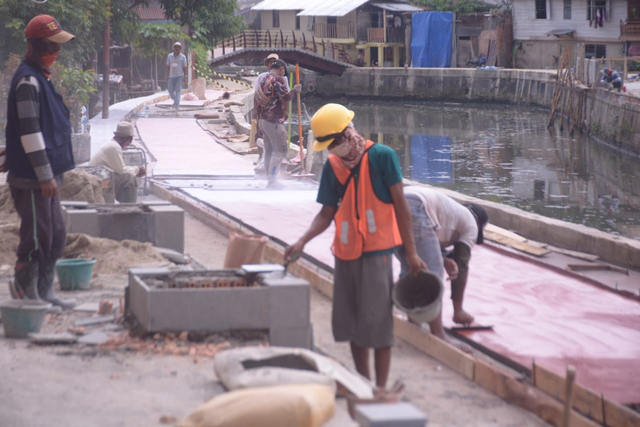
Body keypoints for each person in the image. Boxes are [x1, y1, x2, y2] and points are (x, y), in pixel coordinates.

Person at [285, 104, 426, 391]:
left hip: (378, 253)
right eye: (328, 146)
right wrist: (302, 240)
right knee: (352, 323)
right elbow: (326, 214)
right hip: (346, 254)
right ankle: (364, 384)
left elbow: (402, 208)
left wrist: (411, 253)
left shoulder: (383, 158)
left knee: (378, 324)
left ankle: (381, 388)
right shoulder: (333, 167)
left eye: (334, 144)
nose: (332, 150)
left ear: (347, 134)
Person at [2, 14, 77, 309]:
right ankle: (25, 292)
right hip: (33, 179)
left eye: (57, 47)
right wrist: (45, 175)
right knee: (36, 236)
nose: (55, 53)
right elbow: (31, 132)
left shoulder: (41, 78)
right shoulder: (27, 81)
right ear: (33, 46)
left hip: (47, 176)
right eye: (50, 46)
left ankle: (44, 290)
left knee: (56, 234)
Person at [397, 186, 488, 339]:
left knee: (412, 269)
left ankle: (413, 324)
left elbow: (423, 247)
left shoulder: (451, 214)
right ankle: (439, 334)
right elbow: (462, 265)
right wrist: (458, 310)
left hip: (397, 203)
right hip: (417, 205)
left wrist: (445, 259)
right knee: (434, 273)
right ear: (479, 225)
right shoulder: (471, 224)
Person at [256, 60, 301, 187]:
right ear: (281, 69)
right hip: (273, 120)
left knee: (269, 151)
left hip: (263, 120)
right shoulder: (279, 79)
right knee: (280, 150)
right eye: (283, 71)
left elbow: (258, 98)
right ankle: (273, 181)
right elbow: (285, 98)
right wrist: (295, 90)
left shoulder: (264, 79)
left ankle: (269, 179)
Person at [89, 122, 146, 203]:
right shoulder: (114, 147)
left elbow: (118, 169)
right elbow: (122, 171)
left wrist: (135, 170)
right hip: (98, 180)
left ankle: (121, 202)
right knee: (129, 178)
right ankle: (128, 207)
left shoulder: (112, 145)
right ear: (127, 140)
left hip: (98, 176)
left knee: (128, 176)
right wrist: (137, 170)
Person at [165, 41, 187, 111]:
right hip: (171, 76)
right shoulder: (170, 56)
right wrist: (166, 75)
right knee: (170, 90)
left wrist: (185, 77)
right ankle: (175, 100)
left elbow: (185, 67)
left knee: (178, 91)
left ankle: (176, 106)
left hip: (179, 76)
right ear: (174, 48)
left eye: (178, 47)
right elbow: (167, 66)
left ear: (180, 49)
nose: (177, 49)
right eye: (175, 47)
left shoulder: (183, 57)